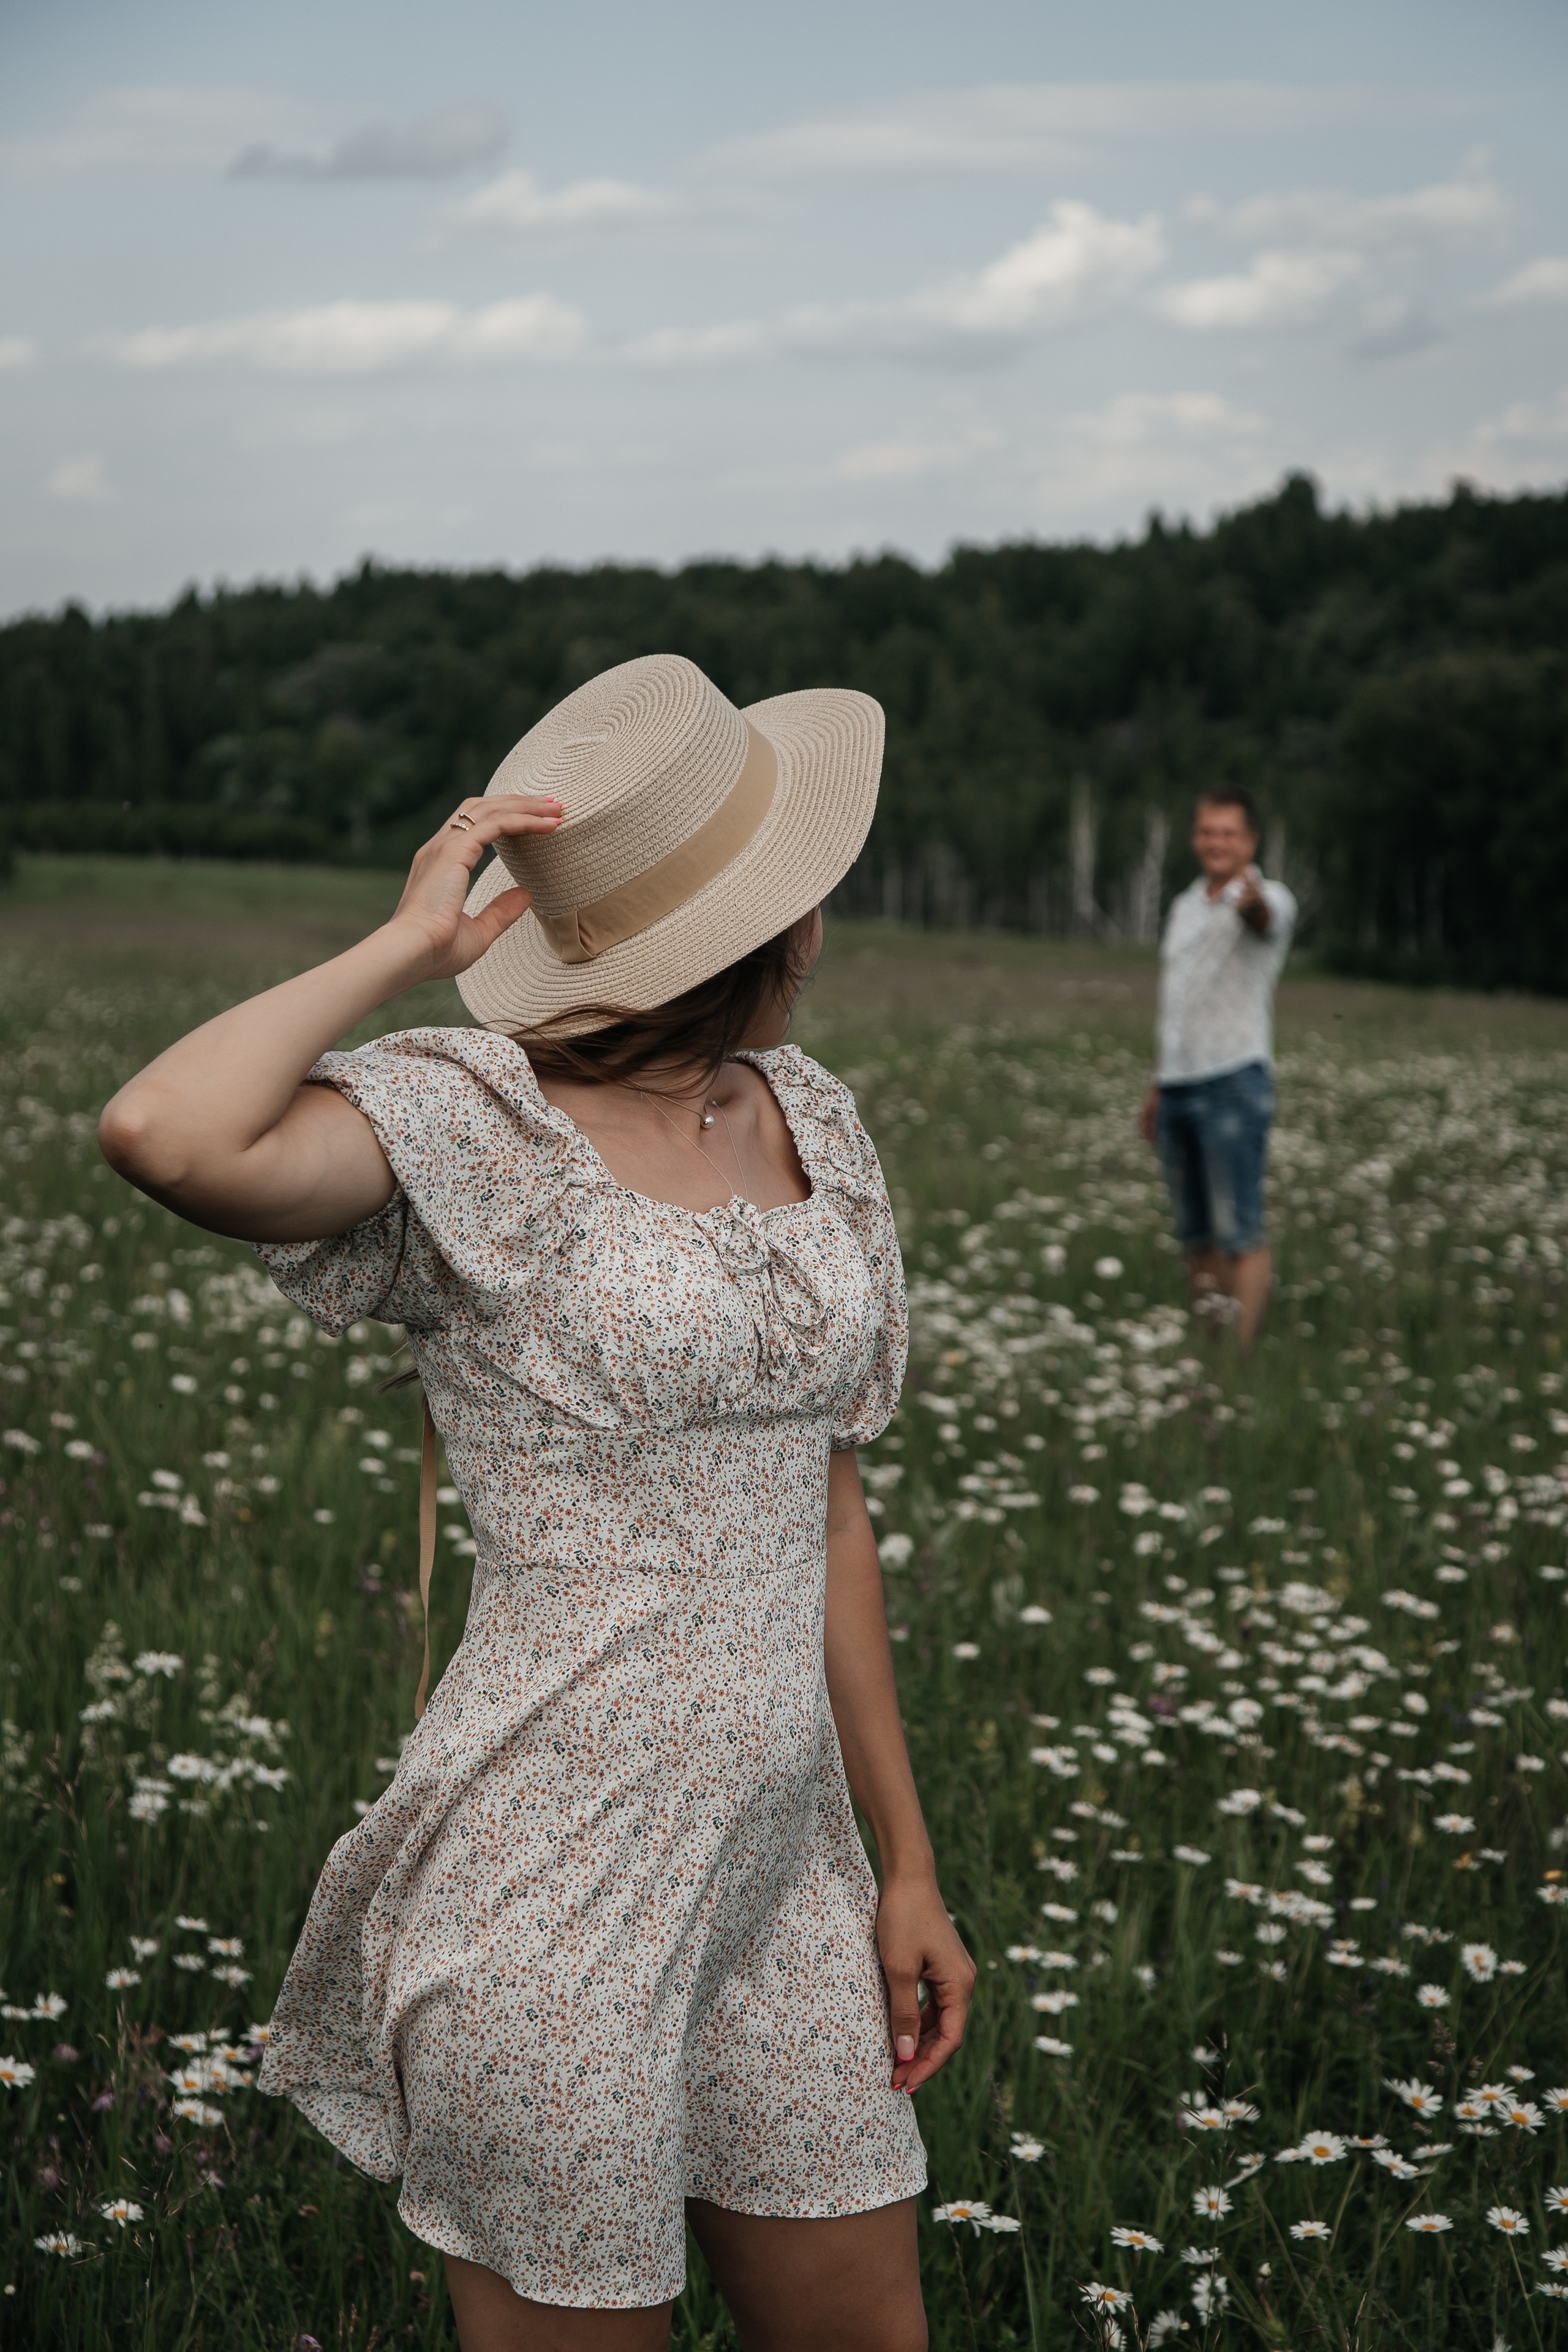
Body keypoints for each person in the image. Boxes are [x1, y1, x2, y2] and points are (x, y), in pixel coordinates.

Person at [98, 654, 973, 2352]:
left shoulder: (818, 1120)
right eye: (800, 903)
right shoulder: (475, 1124)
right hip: (555, 1887)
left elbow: (831, 1509)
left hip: (787, 1877)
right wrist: (408, 951)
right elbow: (161, 1132)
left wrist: (908, 1869)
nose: (821, 933)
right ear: (749, 935)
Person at [1138, 787, 1296, 1350]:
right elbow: (1177, 1002)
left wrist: (1250, 899)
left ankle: (1240, 1356)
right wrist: (1157, 1086)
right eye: (1208, 831)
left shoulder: (1269, 897)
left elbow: (1263, 918)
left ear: (1250, 841)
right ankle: (1211, 1341)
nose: (1216, 842)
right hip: (1178, 1085)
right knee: (1195, 1233)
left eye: (1229, 833)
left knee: (1239, 1229)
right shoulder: (1184, 905)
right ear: (1195, 837)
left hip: (1233, 1079)